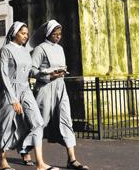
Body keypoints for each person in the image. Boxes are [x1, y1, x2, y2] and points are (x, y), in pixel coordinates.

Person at [0, 21, 57, 170]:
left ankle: (40, 163)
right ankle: (3, 162)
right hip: (9, 91)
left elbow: (31, 71)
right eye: (23, 33)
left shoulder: (25, 51)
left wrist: (48, 74)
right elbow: (4, 75)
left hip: (26, 89)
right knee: (6, 125)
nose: (25, 36)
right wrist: (13, 99)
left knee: (38, 122)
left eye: (27, 34)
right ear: (15, 33)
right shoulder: (6, 50)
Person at [21, 20, 89, 170]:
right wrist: (48, 75)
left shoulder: (60, 49)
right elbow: (31, 69)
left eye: (60, 34)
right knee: (40, 122)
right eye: (55, 34)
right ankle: (25, 149)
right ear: (48, 34)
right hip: (45, 88)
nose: (58, 37)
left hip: (60, 88)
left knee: (66, 120)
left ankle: (72, 159)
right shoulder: (40, 49)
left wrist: (61, 72)